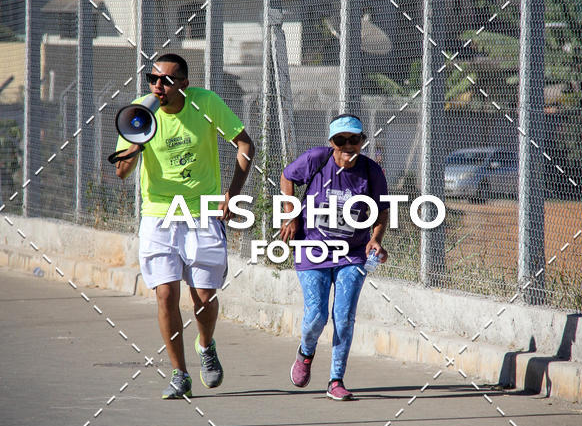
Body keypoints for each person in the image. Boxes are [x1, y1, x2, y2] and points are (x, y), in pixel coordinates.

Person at [114, 53, 254, 399]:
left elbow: (245, 144)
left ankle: (205, 344)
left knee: (203, 297)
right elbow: (121, 172)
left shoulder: (205, 103)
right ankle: (180, 374)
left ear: (184, 84)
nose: (157, 86)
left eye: (165, 80)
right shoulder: (139, 112)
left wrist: (232, 195)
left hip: (202, 212)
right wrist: (137, 139)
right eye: (152, 79)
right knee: (165, 295)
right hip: (158, 213)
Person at [280, 114, 389, 401]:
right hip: (312, 249)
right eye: (341, 140)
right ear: (332, 142)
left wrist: (376, 239)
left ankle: (336, 380)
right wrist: (291, 215)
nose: (348, 145)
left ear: (362, 141)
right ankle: (306, 352)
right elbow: (287, 177)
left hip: (352, 253)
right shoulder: (317, 159)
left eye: (354, 139)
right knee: (316, 316)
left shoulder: (371, 172)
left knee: (344, 317)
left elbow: (382, 212)